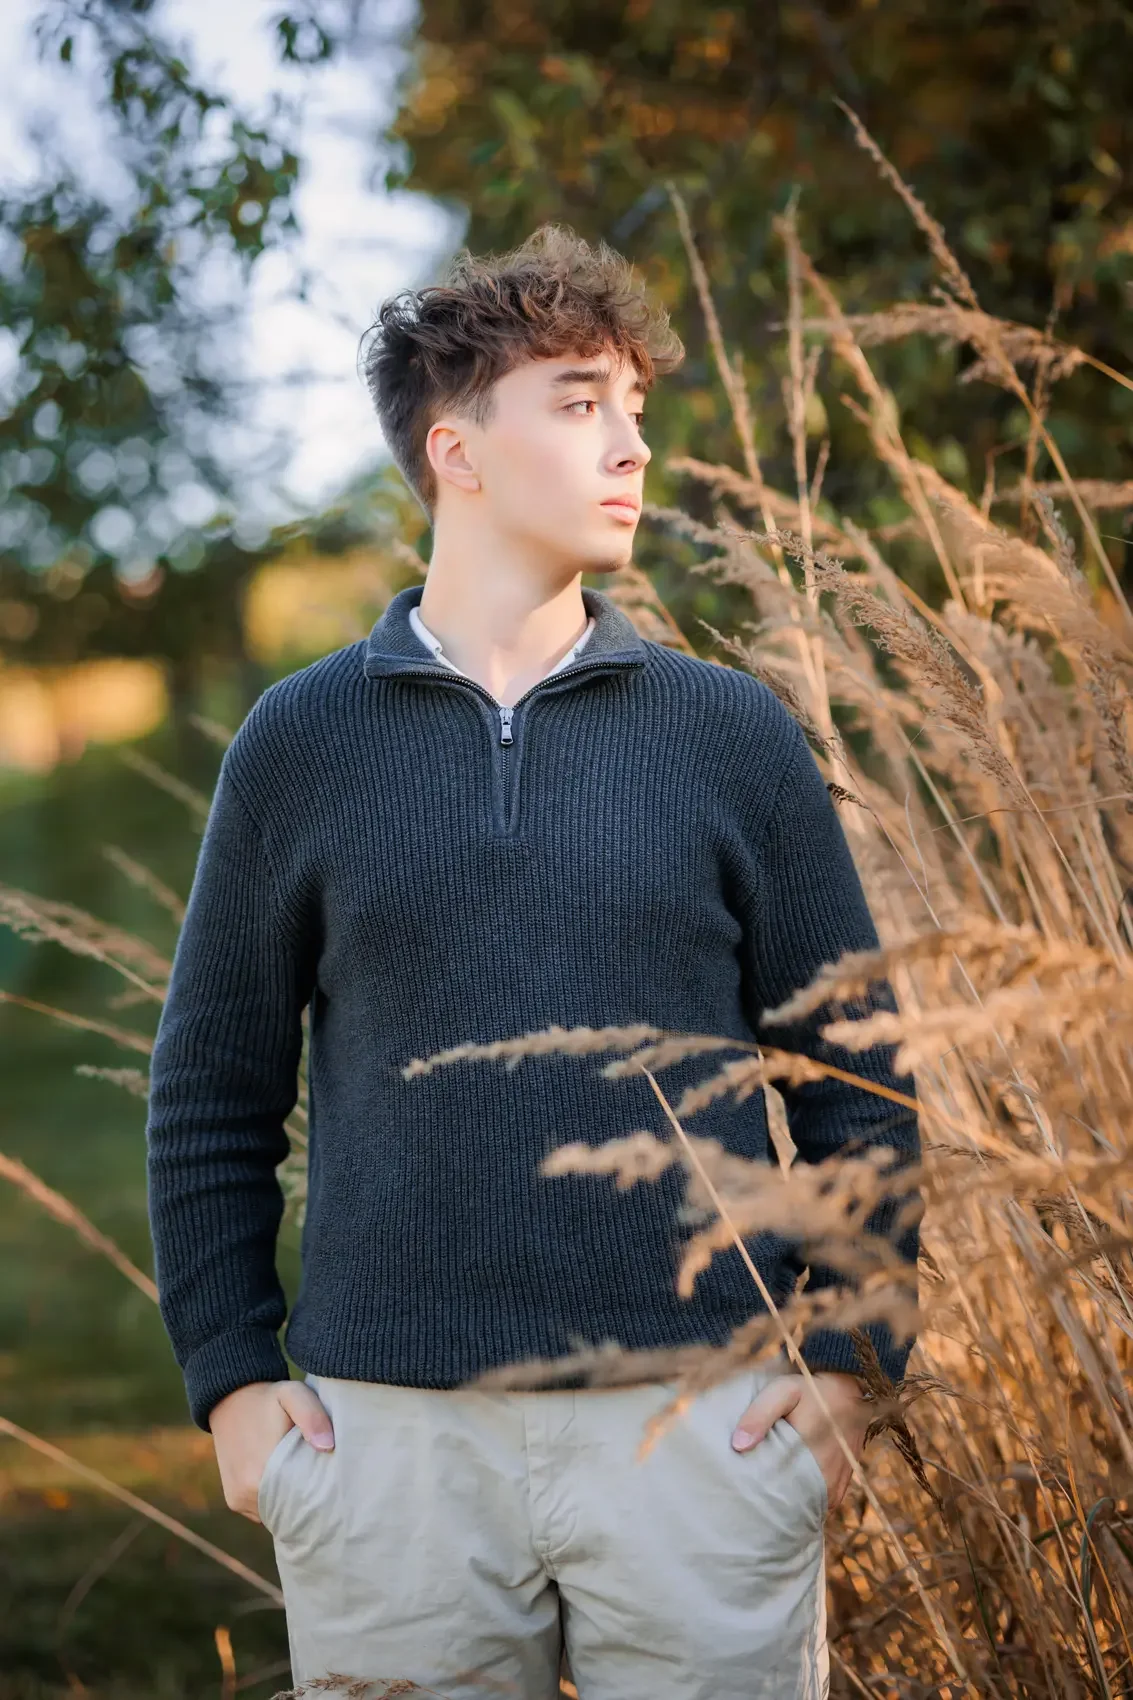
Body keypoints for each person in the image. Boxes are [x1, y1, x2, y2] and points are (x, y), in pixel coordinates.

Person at [145, 224, 921, 1700]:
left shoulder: (731, 735)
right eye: (579, 403)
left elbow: (858, 1072)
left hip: (701, 1432)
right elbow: (211, 1094)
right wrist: (233, 1379)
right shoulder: (300, 745)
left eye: (635, 405)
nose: (632, 444)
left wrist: (852, 1357)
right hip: (391, 1451)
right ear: (458, 452)